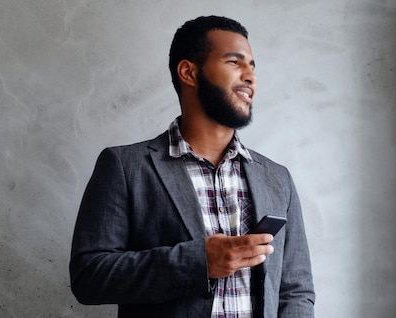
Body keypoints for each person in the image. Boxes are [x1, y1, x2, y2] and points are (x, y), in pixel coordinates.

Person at [69, 16, 315, 317]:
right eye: (235, 63)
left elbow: (295, 290)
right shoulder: (124, 167)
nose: (250, 76)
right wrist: (199, 262)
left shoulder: (277, 178)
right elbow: (89, 277)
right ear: (189, 72)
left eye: (252, 65)